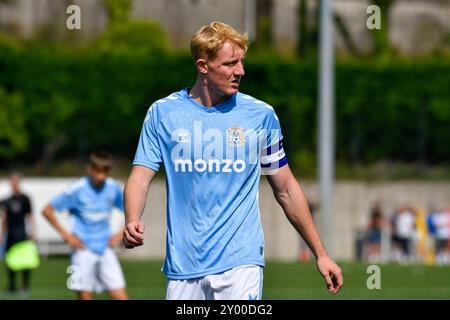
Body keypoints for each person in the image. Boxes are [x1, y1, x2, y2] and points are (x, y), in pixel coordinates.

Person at [123, 21, 343, 300]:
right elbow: (140, 177)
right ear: (203, 66)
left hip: (241, 262)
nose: (240, 71)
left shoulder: (261, 117)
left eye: (241, 62)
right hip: (183, 265)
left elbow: (285, 188)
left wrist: (321, 254)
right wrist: (132, 218)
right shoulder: (162, 114)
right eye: (230, 63)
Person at [42, 151, 128, 300]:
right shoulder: (76, 189)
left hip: (105, 247)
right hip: (82, 249)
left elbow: (131, 211)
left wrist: (121, 234)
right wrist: (67, 236)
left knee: (121, 296)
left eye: (105, 172)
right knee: (84, 296)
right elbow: (47, 211)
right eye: (98, 171)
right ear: (90, 169)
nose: (101, 176)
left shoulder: (113, 187)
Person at [0, 172, 35, 296]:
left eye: (15, 181)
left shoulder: (25, 199)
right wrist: (2, 234)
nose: (13, 184)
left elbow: (30, 216)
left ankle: (25, 287)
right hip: (10, 233)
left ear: (19, 182)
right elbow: (5, 219)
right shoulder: (7, 200)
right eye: (11, 181)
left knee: (24, 260)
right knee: (10, 261)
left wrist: (32, 232)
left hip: (22, 232)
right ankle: (12, 286)